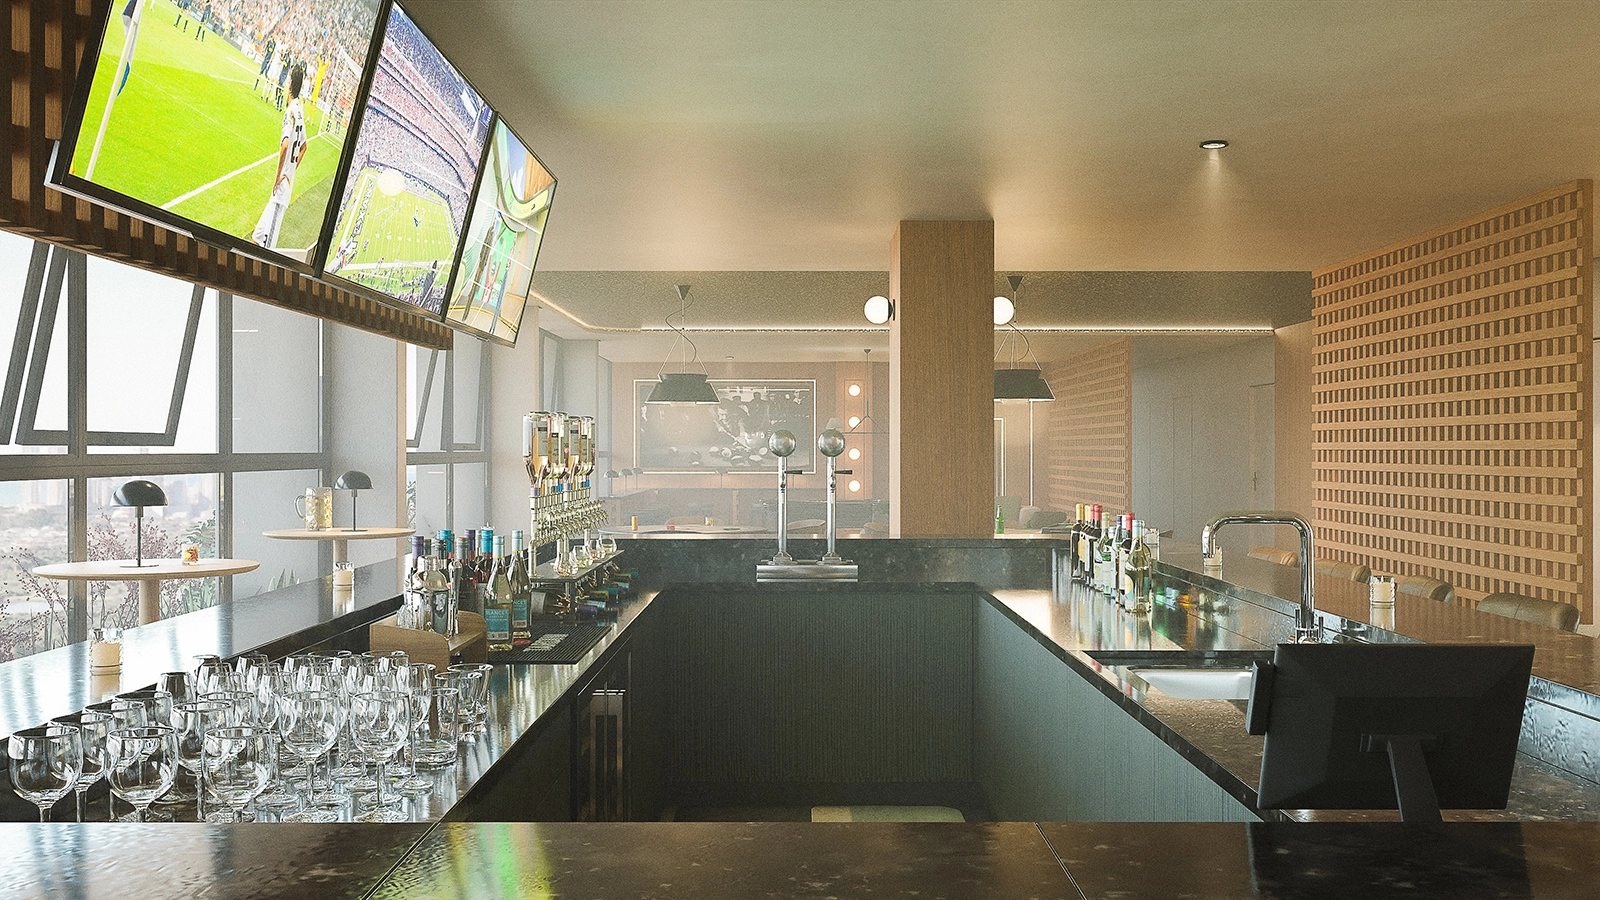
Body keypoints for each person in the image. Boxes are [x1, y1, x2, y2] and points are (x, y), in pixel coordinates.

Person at [252, 63, 307, 251]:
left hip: (281, 189)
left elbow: (285, 146)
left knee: (267, 247)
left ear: (290, 83)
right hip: (283, 186)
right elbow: (304, 146)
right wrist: (292, 170)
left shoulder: (290, 112)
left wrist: (279, 176)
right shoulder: (299, 111)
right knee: (257, 236)